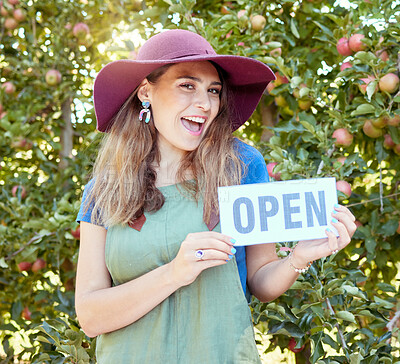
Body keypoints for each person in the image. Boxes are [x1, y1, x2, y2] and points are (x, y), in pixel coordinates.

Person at [75, 29, 357, 363]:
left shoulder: (240, 166)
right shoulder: (105, 189)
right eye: (187, 85)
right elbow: (91, 317)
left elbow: (260, 281)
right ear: (145, 93)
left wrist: (299, 258)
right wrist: (174, 273)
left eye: (214, 90)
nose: (205, 103)